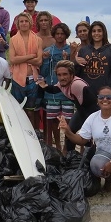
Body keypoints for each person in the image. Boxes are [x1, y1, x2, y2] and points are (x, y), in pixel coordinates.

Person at [58, 86, 111, 201]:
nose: (105, 99)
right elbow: (82, 139)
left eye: (109, 97)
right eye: (101, 97)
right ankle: (108, 178)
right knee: (95, 165)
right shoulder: (93, 118)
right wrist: (67, 131)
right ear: (97, 100)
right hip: (105, 152)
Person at [37, 60, 99, 153]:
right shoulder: (64, 84)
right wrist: (45, 86)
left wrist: (87, 129)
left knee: (86, 140)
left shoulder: (76, 85)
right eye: (59, 75)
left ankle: (85, 157)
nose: (62, 78)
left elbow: (90, 107)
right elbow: (55, 89)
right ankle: (70, 157)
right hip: (82, 110)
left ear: (72, 75)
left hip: (93, 113)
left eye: (65, 74)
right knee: (69, 134)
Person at [39, 21, 73, 149]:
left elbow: (74, 70)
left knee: (68, 120)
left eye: (62, 34)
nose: (59, 36)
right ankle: (57, 145)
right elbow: (43, 72)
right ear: (54, 35)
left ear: (66, 35)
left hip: (68, 92)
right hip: (52, 90)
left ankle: (67, 146)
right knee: (53, 121)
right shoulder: (48, 51)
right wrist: (45, 59)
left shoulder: (70, 50)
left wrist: (68, 59)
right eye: (57, 34)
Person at [9, 12, 43, 129]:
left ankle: (32, 134)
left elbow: (39, 61)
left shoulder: (37, 39)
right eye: (21, 21)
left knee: (31, 111)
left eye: (26, 21)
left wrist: (21, 59)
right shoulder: (13, 39)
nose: (24, 23)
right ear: (18, 24)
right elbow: (13, 59)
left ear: (30, 23)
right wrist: (30, 56)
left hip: (32, 79)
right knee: (18, 110)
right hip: (17, 78)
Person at [75, 20, 111, 96]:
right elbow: (76, 74)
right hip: (85, 92)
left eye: (99, 31)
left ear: (104, 33)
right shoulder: (83, 50)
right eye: (94, 31)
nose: (96, 33)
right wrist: (76, 63)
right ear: (91, 33)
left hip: (104, 94)